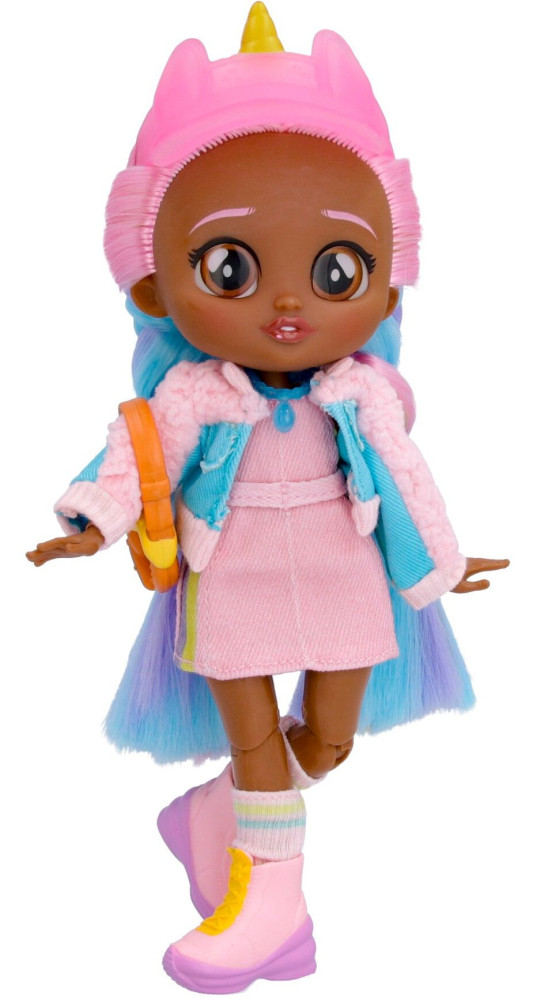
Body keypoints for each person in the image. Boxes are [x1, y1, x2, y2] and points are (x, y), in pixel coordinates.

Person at [27, 4, 508, 993]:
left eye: (336, 270)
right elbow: (137, 452)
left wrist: (444, 558)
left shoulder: (361, 392)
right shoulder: (198, 391)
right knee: (256, 742)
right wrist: (90, 518)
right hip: (233, 569)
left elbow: (407, 474)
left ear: (386, 288)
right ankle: (271, 911)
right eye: (231, 268)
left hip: (343, 567)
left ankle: (216, 816)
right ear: (155, 285)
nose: (288, 303)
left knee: (326, 738)